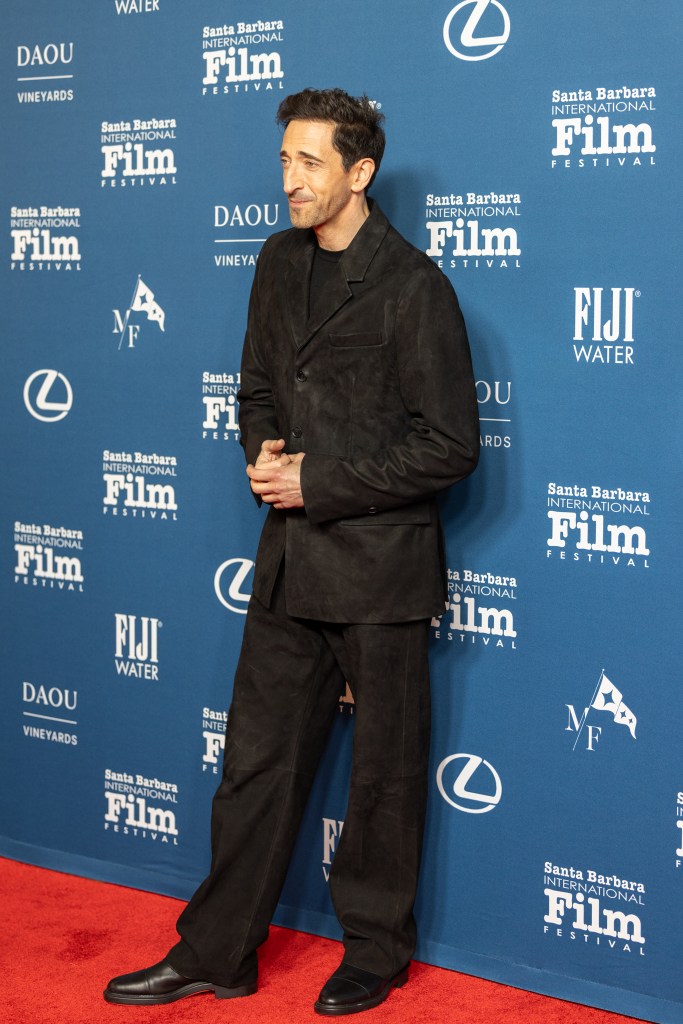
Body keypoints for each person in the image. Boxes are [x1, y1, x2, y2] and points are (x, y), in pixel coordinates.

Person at [104, 87, 479, 1016]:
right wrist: (261, 452)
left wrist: (321, 482)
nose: (290, 180)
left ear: (360, 171)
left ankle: (375, 954)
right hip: (286, 567)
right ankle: (218, 952)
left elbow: (449, 445)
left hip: (380, 574)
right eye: (284, 160)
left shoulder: (415, 286)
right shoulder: (275, 260)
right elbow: (256, 387)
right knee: (253, 767)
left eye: (310, 162)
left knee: (383, 780)